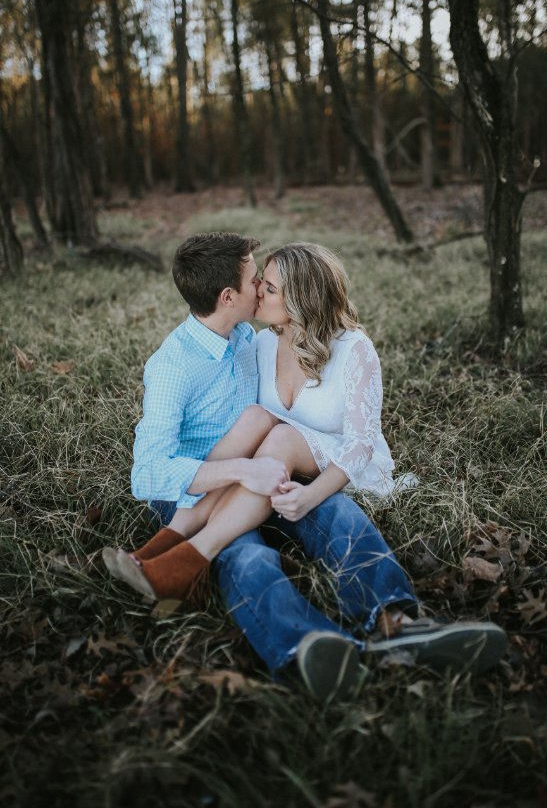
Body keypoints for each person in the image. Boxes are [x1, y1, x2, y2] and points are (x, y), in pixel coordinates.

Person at [104, 234, 507, 703]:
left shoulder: (245, 338)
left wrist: (275, 477)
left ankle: (397, 621)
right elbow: (149, 472)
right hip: (214, 485)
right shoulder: (179, 363)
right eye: (257, 281)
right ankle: (307, 645)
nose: (260, 289)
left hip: (281, 471)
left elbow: (327, 432)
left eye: (267, 283)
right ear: (228, 297)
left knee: (336, 513)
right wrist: (239, 471)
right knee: (247, 556)